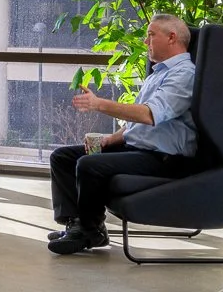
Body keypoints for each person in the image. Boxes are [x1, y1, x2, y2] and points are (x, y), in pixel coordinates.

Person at [46, 13, 199, 256]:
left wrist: (98, 104)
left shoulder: (184, 75)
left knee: (89, 165)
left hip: (164, 158)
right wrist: (109, 140)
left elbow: (149, 115)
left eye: (151, 35)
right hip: (140, 148)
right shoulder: (158, 73)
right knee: (63, 157)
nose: (146, 42)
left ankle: (89, 230)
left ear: (172, 37)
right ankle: (76, 223)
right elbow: (136, 126)